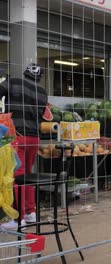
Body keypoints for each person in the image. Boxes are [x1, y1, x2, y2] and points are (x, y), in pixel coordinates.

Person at [0, 64, 48, 230]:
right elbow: (43, 115)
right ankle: (30, 212)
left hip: (17, 135)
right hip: (34, 137)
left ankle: (18, 219)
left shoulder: (12, 81)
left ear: (25, 72)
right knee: (27, 174)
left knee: (16, 176)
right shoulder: (42, 92)